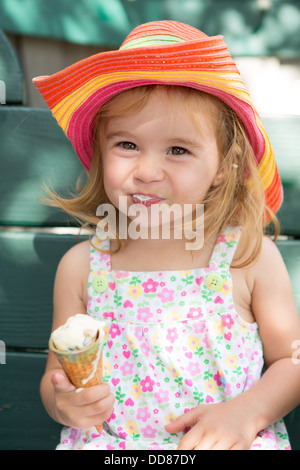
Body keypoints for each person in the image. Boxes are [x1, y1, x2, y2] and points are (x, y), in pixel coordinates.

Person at [33, 20, 300, 450]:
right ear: (102, 152)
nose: (147, 171)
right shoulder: (83, 268)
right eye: (127, 145)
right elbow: (55, 377)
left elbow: (292, 359)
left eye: (178, 150)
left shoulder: (246, 258)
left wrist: (249, 412)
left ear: (222, 168)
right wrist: (64, 402)